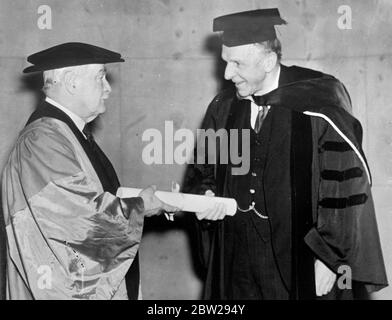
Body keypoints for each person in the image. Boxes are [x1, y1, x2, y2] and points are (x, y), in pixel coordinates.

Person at [184, 9, 388, 300]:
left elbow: (344, 188)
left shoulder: (318, 103)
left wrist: (330, 259)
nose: (227, 74)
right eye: (226, 62)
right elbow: (204, 170)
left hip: (301, 253)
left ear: (268, 61)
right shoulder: (224, 108)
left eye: (237, 63)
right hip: (237, 256)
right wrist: (205, 194)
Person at [1, 42, 177, 300]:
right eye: (101, 77)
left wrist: (135, 201)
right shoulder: (42, 141)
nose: (107, 88)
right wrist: (139, 206)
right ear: (72, 82)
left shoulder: (66, 133)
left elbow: (85, 201)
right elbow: (76, 221)